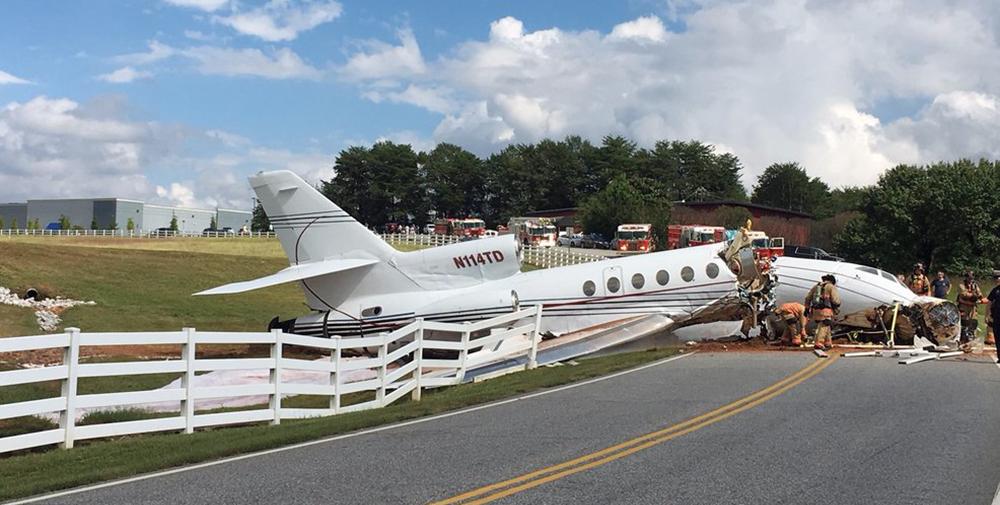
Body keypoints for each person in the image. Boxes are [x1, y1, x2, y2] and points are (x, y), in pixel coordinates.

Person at [805, 274, 841, 350]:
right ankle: (819, 343)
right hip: (826, 310)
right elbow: (835, 300)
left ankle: (828, 343)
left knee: (826, 325)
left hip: (816, 310)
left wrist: (807, 308)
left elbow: (808, 298)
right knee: (825, 324)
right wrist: (837, 305)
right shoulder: (831, 287)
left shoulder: (816, 287)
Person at [956, 271, 989, 344]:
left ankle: (972, 338)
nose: (971, 279)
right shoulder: (961, 285)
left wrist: (979, 297)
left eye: (972, 277)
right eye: (969, 277)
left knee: (973, 322)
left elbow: (979, 294)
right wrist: (973, 296)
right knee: (964, 322)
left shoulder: (975, 285)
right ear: (966, 277)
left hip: (973, 307)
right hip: (964, 306)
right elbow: (964, 294)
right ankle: (962, 339)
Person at [987, 271, 1000, 361]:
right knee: (997, 336)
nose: (998, 279)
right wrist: (987, 315)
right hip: (996, 316)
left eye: (999, 277)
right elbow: (989, 302)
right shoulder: (995, 290)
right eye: (996, 278)